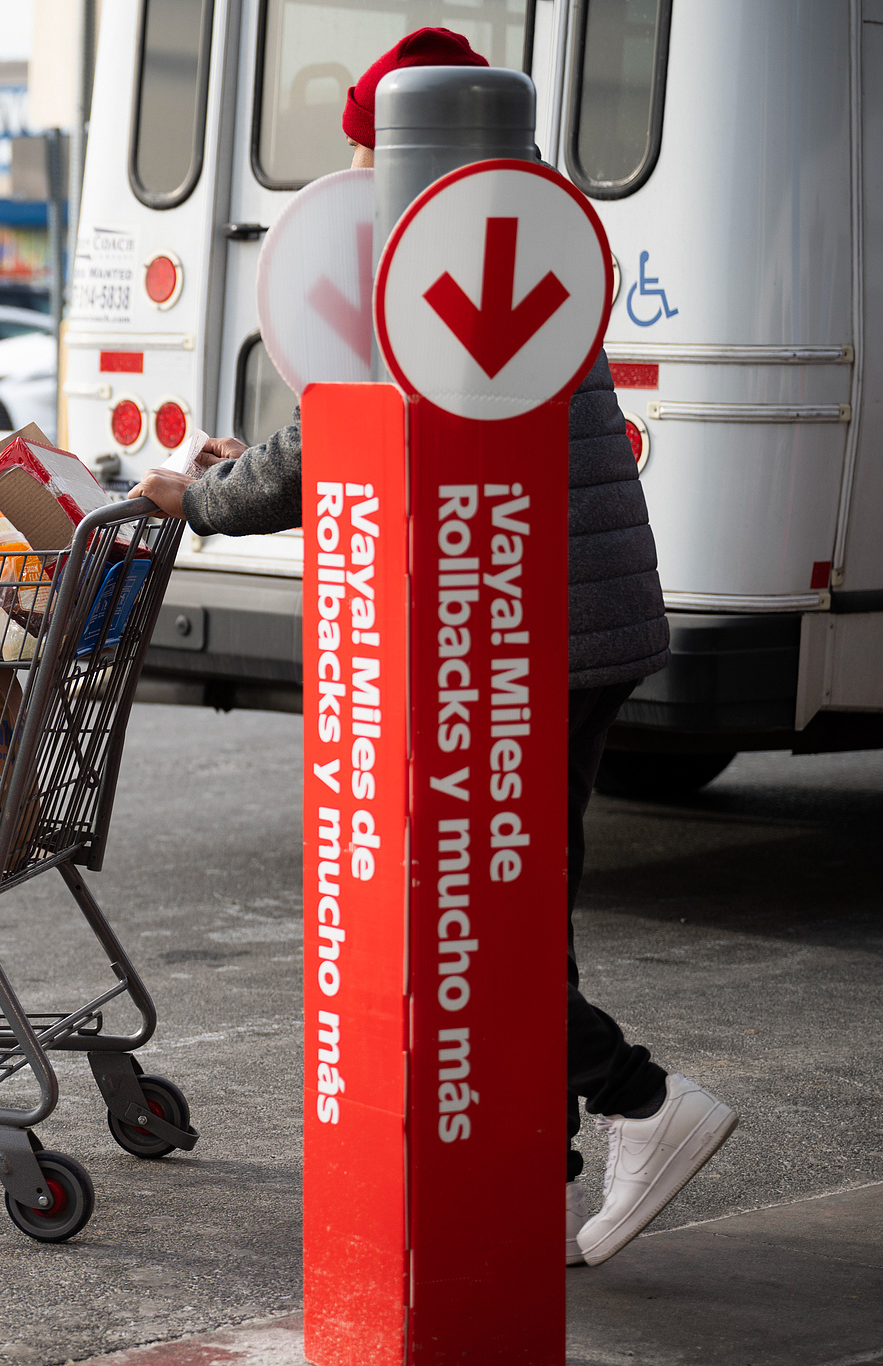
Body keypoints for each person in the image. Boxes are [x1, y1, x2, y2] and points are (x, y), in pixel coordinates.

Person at [135, 27, 737, 1270]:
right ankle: (536, 1157)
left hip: (521, 630)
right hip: (576, 614)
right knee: (513, 898)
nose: (360, 168)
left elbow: (321, 444)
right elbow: (372, 424)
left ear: (388, 141)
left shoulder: (420, 238)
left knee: (475, 916)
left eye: (367, 142)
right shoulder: (522, 218)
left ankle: (638, 1099)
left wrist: (188, 498)